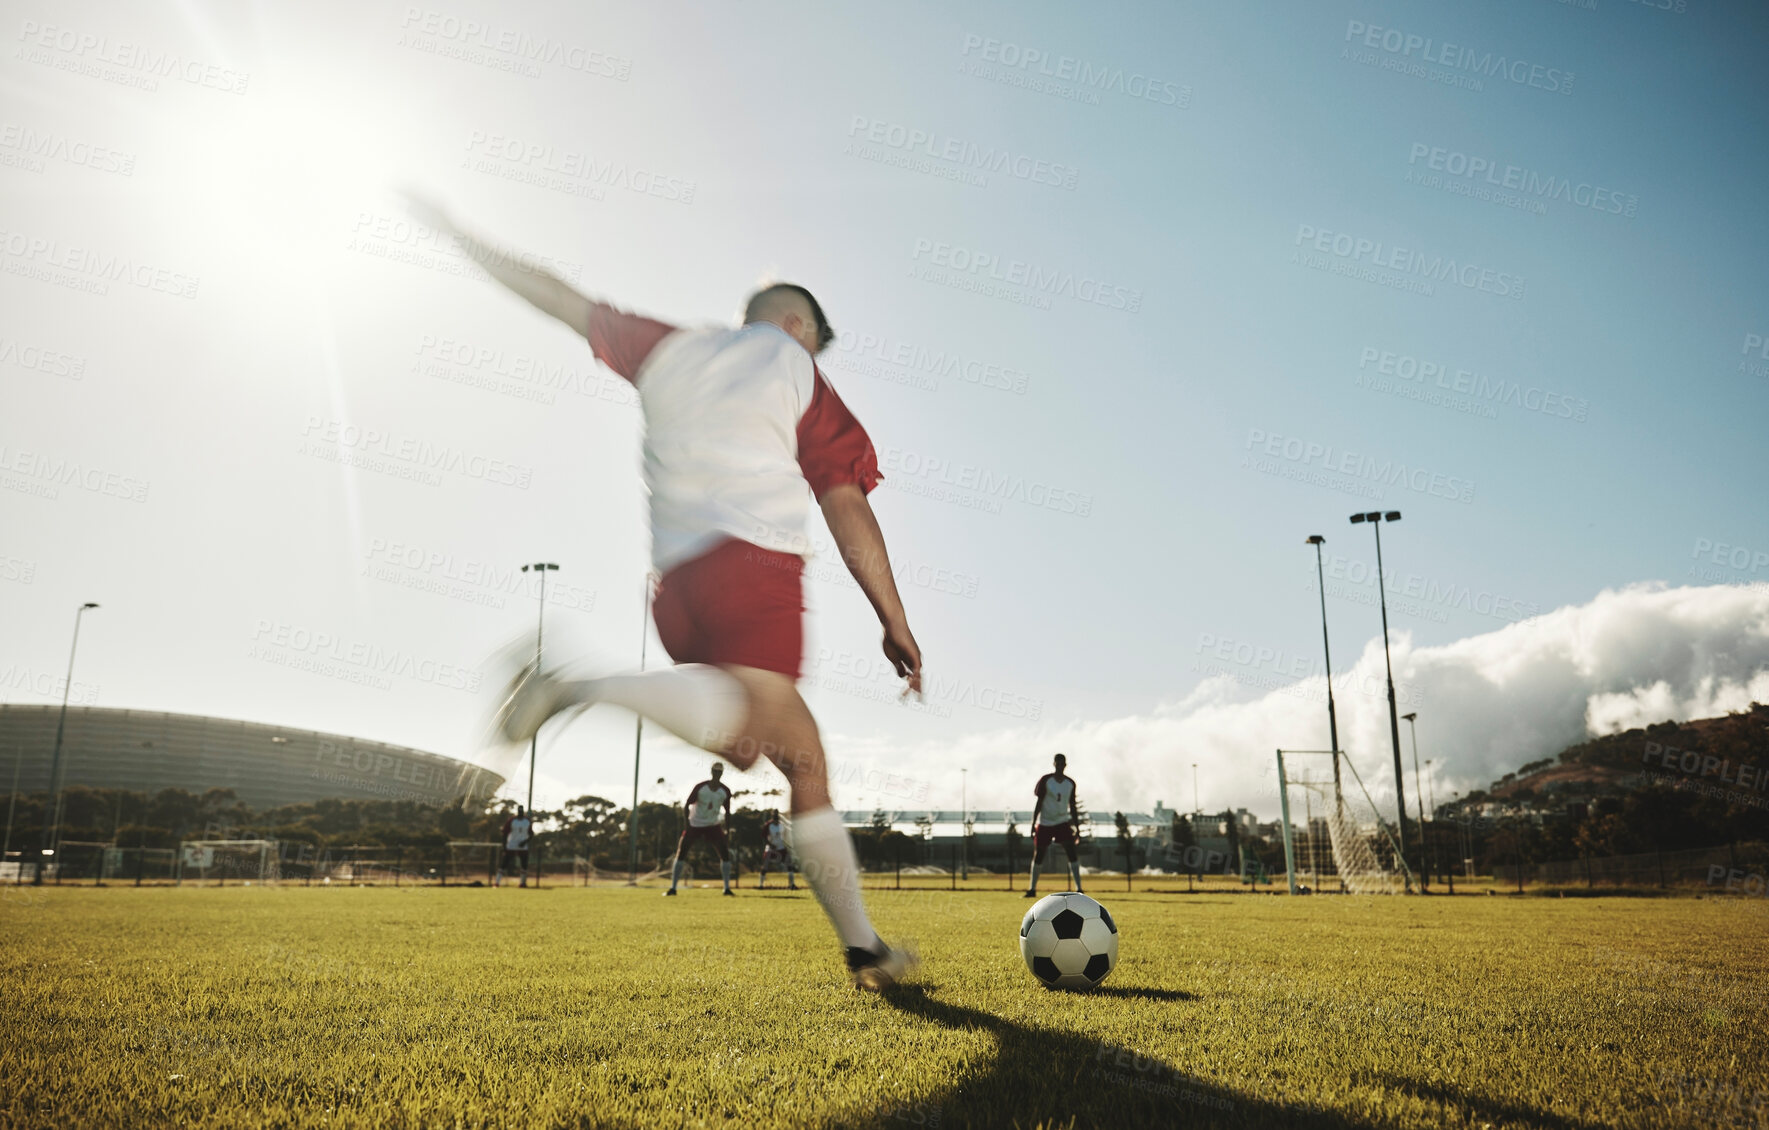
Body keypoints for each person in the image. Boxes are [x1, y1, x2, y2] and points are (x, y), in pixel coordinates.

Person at [408, 195, 921, 990]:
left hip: (677, 591)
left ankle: (864, 951)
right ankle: (576, 682)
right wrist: (894, 621)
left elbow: (556, 298)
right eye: (818, 338)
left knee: (794, 756)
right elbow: (846, 505)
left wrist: (457, 236)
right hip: (755, 568)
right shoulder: (796, 371)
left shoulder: (667, 348)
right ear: (798, 329)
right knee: (776, 741)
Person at [667, 763, 735, 896]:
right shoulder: (700, 787)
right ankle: (673, 888)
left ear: (722, 773)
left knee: (724, 854)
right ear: (711, 772)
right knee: (681, 853)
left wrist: (727, 830)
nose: (716, 774)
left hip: (713, 825)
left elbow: (727, 812)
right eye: (715, 771)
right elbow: (687, 804)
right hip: (695, 824)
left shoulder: (725, 791)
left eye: (719, 772)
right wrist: (687, 824)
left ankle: (726, 888)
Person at [1025, 754, 1083, 897]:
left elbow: (1073, 806)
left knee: (1071, 852)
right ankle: (1032, 889)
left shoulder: (1070, 783)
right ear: (1054, 764)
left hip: (1062, 822)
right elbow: (1039, 803)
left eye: (1062, 764)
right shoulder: (1046, 781)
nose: (1060, 766)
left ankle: (1079, 889)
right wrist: (1033, 823)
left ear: (1065, 765)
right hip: (1045, 822)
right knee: (1039, 854)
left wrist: (1077, 827)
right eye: (1058, 764)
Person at [758, 809, 798, 890]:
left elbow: (786, 836)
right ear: (772, 816)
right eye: (774, 815)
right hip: (770, 849)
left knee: (789, 865)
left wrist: (787, 845)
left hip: (781, 848)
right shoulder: (768, 825)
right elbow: (763, 837)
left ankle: (792, 885)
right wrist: (770, 844)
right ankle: (761, 885)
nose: (776, 817)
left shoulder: (782, 825)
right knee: (765, 867)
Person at [497, 804, 533, 888]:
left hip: (523, 846)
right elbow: (505, 833)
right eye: (519, 811)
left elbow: (531, 834)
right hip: (511, 845)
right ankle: (497, 882)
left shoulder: (527, 821)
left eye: (521, 811)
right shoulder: (512, 820)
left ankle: (522, 883)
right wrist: (504, 845)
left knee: (524, 865)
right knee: (504, 864)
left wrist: (525, 841)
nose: (520, 812)